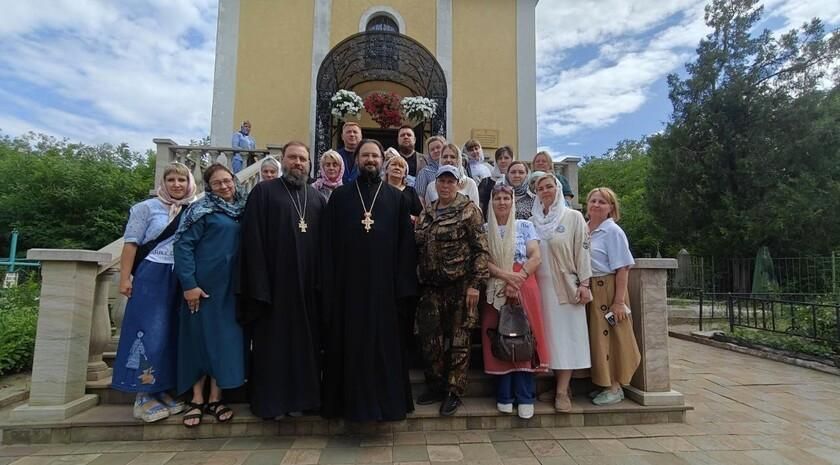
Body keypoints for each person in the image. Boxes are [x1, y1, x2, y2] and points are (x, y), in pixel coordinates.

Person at [321, 139, 418, 422]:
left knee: (384, 349)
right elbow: (328, 244)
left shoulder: (396, 198)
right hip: (348, 290)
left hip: (385, 290)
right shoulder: (340, 198)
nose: (371, 160)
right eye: (366, 155)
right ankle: (347, 406)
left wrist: (403, 289)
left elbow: (405, 247)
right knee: (349, 347)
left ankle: (386, 406)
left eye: (375, 155)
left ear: (382, 161)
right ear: (356, 161)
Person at [238, 141, 327, 419]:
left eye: (303, 159)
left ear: (309, 165)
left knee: (306, 347)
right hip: (274, 288)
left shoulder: (316, 199)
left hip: (307, 290)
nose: (298, 163)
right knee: (273, 348)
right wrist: (259, 286)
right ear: (282, 161)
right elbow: (251, 241)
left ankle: (305, 400)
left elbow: (326, 247)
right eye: (292, 158)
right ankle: (272, 404)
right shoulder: (263, 193)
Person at [113, 162, 195, 423]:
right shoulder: (145, 208)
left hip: (179, 275)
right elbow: (131, 245)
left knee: (172, 333)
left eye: (182, 180)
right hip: (152, 274)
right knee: (149, 332)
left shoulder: (193, 209)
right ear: (164, 183)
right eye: (171, 180)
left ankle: (162, 388)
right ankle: (143, 394)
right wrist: (125, 278)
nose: (177, 185)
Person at [174, 164, 247, 427]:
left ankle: (216, 397)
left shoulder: (241, 209)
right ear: (209, 187)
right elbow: (183, 246)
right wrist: (189, 284)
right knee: (198, 339)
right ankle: (196, 398)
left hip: (231, 288)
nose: (225, 187)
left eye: (227, 181)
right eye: (218, 183)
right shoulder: (200, 210)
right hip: (203, 288)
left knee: (224, 341)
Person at [415, 165, 490, 416]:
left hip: (460, 287)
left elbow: (481, 251)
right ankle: (436, 385)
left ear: (458, 184)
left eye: (450, 181)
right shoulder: (427, 211)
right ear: (435, 183)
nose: (445, 185)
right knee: (430, 340)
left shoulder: (469, 210)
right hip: (431, 288)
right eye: (441, 181)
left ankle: (454, 391)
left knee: (460, 341)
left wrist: (474, 286)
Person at [480, 184, 548, 419]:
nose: (502, 202)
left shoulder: (525, 226)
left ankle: (525, 395)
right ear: (491, 202)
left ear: (512, 201)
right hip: (496, 286)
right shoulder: (484, 229)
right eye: (497, 198)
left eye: (506, 198)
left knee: (523, 336)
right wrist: (506, 276)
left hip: (524, 283)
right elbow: (483, 261)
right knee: (499, 337)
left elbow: (535, 256)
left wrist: (517, 278)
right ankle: (505, 395)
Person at [530, 173, 593, 413]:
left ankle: (562, 391)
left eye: (549, 186)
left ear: (557, 189)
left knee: (566, 339)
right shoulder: (533, 220)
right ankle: (557, 384)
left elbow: (583, 251)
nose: (545, 191)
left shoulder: (573, 217)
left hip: (565, 287)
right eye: (540, 188)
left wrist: (585, 284)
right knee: (549, 339)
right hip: (539, 288)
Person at [585, 187, 640, 406]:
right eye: (593, 201)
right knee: (599, 338)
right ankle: (603, 382)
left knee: (613, 336)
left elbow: (623, 268)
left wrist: (618, 301)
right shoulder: (585, 228)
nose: (596, 205)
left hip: (607, 287)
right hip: (590, 288)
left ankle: (615, 386)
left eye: (602, 202)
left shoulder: (613, 232)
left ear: (611, 208)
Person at [478, 146, 515, 217]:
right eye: (500, 158)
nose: (503, 161)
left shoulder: (516, 181)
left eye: (506, 158)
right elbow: (481, 205)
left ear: (512, 159)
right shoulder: (486, 182)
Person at [383, 155, 422, 220]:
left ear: (405, 174)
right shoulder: (379, 189)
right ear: (386, 170)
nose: (397, 168)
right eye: (393, 164)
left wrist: (411, 218)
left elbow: (420, 215)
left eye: (401, 166)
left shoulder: (411, 191)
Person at [414, 135, 445, 203]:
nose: (435, 151)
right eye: (432, 149)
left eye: (438, 147)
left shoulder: (459, 169)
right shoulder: (424, 172)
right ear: (429, 153)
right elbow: (420, 197)